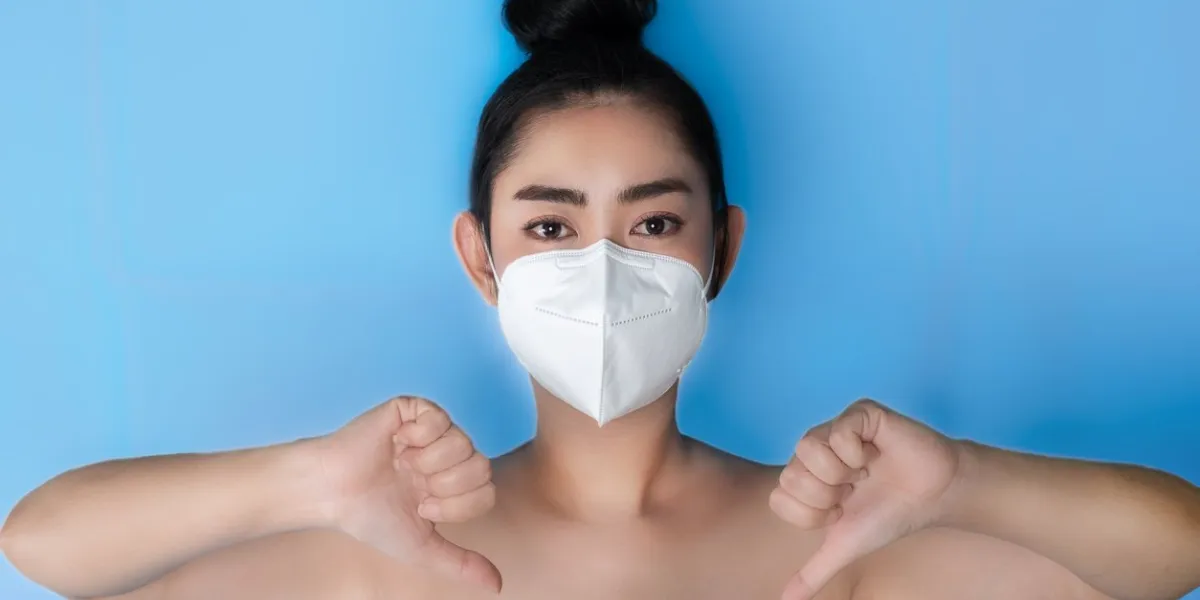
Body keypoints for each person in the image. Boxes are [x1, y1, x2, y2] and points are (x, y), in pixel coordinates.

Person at [3, 1, 1199, 599]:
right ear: (482, 257)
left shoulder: (836, 542)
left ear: (719, 247)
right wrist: (303, 478)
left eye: (654, 221)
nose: (606, 261)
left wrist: (969, 484)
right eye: (552, 225)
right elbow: (41, 547)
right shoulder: (394, 549)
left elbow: (1177, 556)